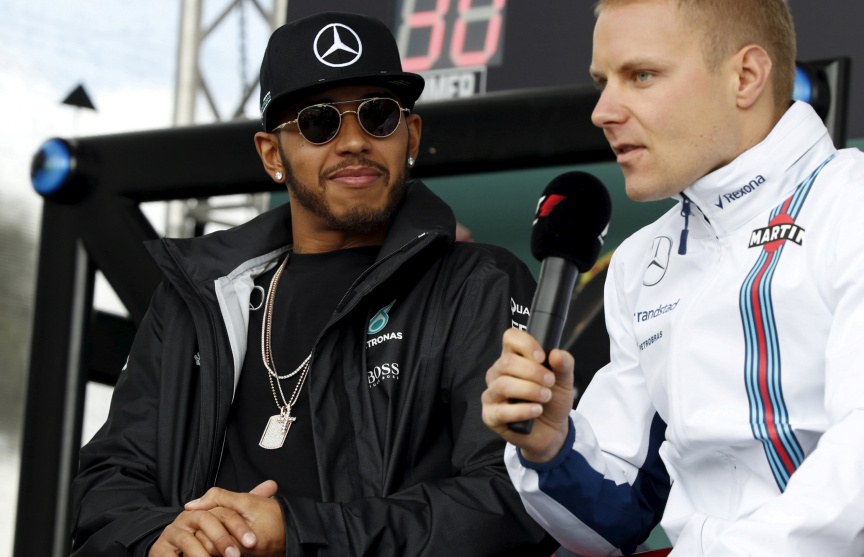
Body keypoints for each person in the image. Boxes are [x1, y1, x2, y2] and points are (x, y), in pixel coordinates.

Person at [481, 0, 864, 555]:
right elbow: (619, 517)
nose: (602, 111)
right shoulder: (641, 260)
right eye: (603, 82)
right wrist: (552, 449)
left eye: (641, 76)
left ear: (745, 77)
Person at [71, 11, 557, 557]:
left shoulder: (478, 285)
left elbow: (513, 499)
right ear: (272, 155)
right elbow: (108, 483)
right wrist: (157, 539)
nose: (353, 142)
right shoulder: (199, 298)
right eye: (318, 123)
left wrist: (298, 533)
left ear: (412, 136)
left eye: (378, 116)